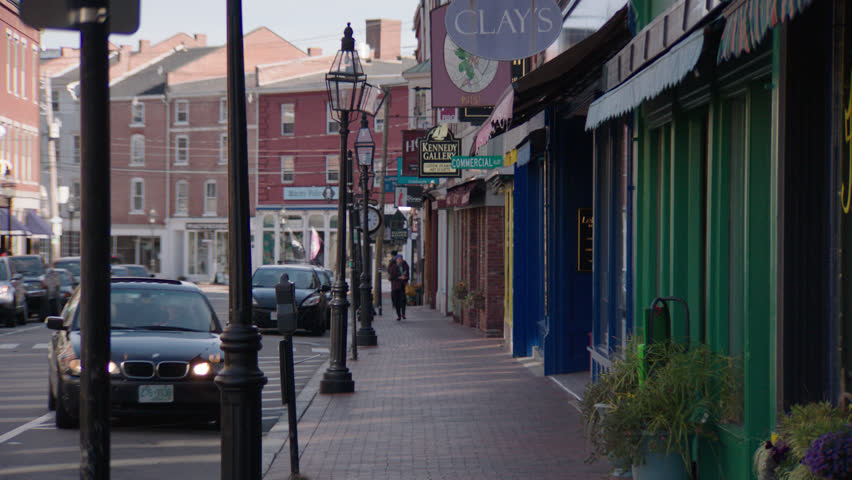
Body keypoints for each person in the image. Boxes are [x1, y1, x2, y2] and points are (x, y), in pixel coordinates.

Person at [388, 254, 409, 321]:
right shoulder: (393, 267)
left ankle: (403, 314)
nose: (400, 260)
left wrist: (405, 278)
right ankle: (399, 315)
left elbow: (408, 275)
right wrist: (399, 277)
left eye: (401, 259)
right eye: (399, 259)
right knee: (397, 302)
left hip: (402, 286)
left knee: (403, 300)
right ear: (396, 260)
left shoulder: (405, 266)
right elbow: (391, 277)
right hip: (396, 287)